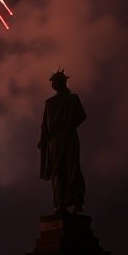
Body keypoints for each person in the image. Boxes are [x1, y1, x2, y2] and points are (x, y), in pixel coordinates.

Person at [38, 68, 87, 213]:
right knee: (57, 171)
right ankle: (60, 204)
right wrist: (43, 140)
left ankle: (77, 201)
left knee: (72, 168)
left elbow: (81, 116)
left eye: (55, 82)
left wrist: (69, 125)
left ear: (62, 82)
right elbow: (44, 124)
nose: (53, 85)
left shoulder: (73, 98)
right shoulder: (49, 103)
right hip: (54, 142)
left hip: (69, 137)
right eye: (52, 83)